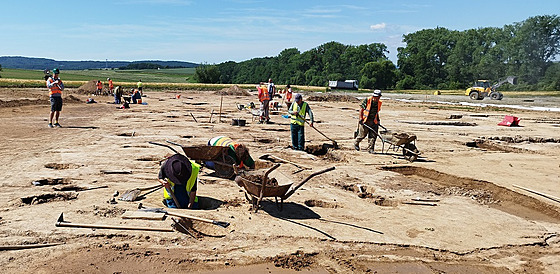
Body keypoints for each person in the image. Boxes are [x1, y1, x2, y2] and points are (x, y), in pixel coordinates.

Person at [354, 89, 382, 153]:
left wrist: (378, 120)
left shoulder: (379, 103)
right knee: (362, 135)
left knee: (373, 136)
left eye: (378, 97)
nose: (377, 99)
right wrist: (361, 118)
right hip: (365, 120)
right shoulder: (368, 100)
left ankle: (370, 149)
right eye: (376, 97)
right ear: (374, 96)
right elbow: (361, 109)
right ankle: (356, 143)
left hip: (373, 121)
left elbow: (376, 112)